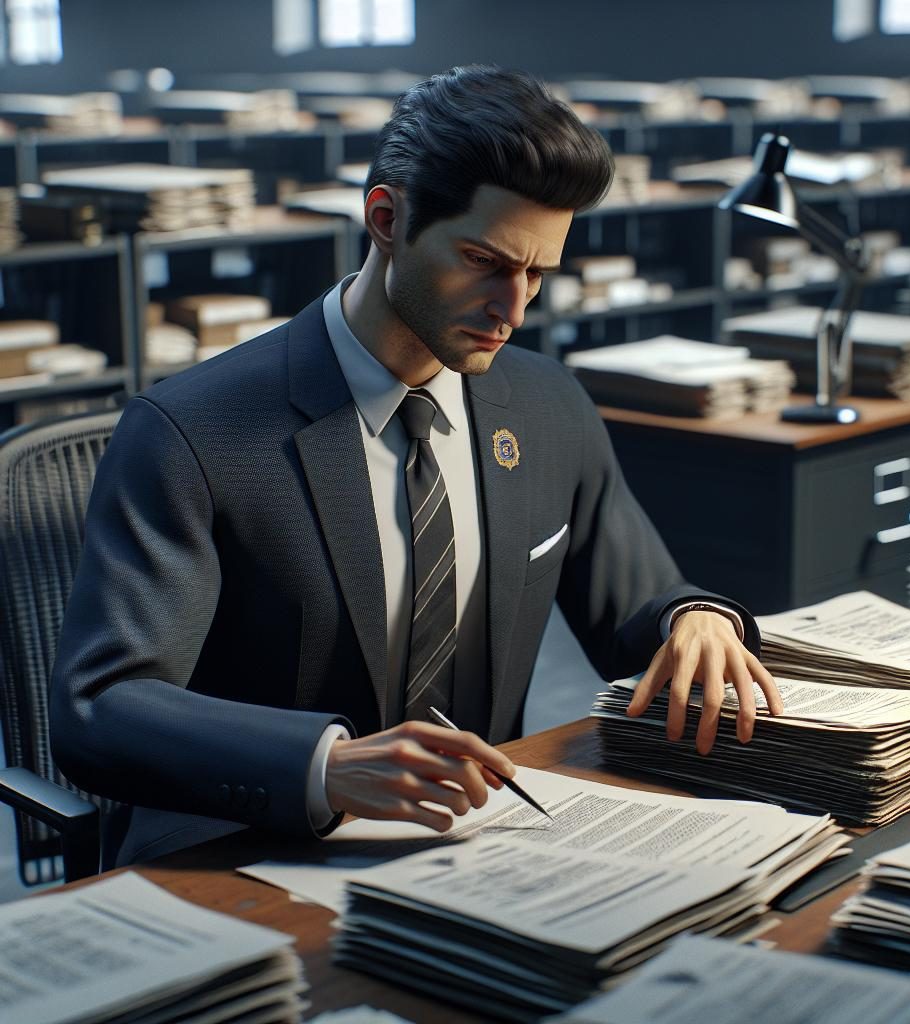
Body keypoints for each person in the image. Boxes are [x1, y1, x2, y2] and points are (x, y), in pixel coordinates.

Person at [50, 65, 782, 865]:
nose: (515, 309)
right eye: (484, 261)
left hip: (478, 846)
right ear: (386, 217)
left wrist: (694, 620)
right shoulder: (190, 431)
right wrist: (324, 767)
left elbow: (637, 604)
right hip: (247, 852)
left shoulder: (548, 407)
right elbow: (101, 708)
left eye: (538, 273)